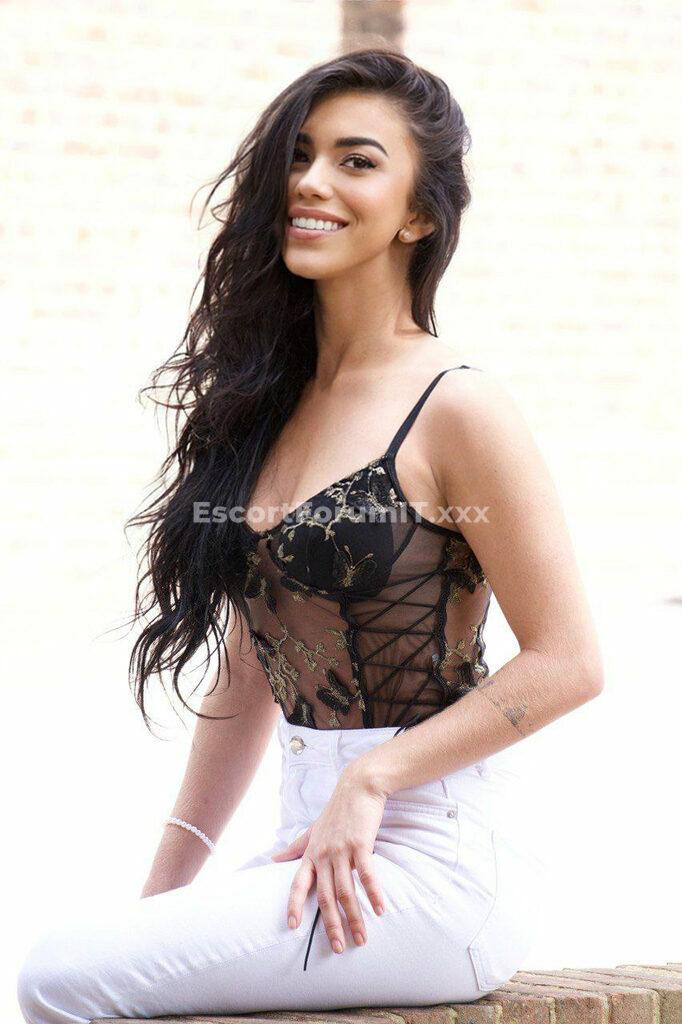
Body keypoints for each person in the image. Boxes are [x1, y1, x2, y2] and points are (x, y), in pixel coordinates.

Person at [17, 47, 604, 1023]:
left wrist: (373, 778)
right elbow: (251, 666)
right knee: (109, 966)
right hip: (314, 847)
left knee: (56, 974)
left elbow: (570, 661)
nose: (311, 181)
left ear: (418, 215)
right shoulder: (270, 408)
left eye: (355, 160)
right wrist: (164, 893)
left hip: (435, 862)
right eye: (299, 155)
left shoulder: (457, 406)